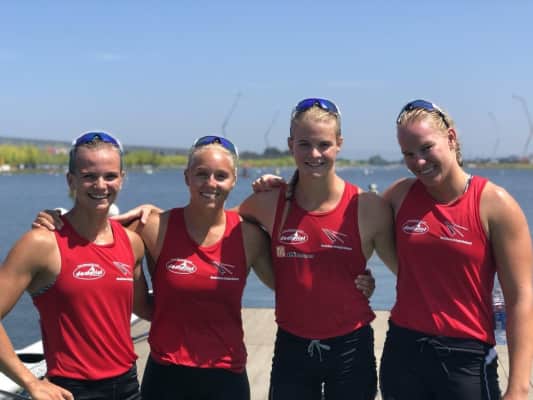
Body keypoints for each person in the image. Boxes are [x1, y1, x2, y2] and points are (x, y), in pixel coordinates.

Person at [33, 135, 275, 400]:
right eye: (201, 174)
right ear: (187, 177)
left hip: (226, 376)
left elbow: (288, 285)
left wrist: (283, 193)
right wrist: (55, 221)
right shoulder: (153, 228)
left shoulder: (249, 237)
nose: (210, 183)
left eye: (221, 176)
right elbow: (92, 233)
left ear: (234, 179)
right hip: (166, 374)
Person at [237, 98, 397, 400]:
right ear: (290, 145)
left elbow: (409, 270)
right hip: (292, 346)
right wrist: (156, 217)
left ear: (339, 144)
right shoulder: (269, 202)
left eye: (324, 144)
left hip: (351, 348)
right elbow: (215, 227)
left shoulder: (369, 208)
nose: (314, 154)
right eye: (304, 144)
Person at [379, 99, 533, 399]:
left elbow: (520, 298)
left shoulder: (495, 204)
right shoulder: (399, 195)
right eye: (408, 154)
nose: (418, 162)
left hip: (466, 358)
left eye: (426, 148)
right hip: (403, 353)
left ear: (450, 138)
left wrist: (518, 386)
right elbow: (350, 225)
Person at [0, 132, 147, 400]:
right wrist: (31, 382)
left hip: (128, 387)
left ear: (122, 179)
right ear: (71, 180)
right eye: (89, 176)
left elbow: (146, 308)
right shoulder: (42, 243)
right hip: (69, 390)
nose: (100, 185)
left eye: (110, 176)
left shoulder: (132, 242)